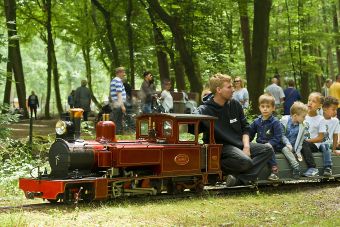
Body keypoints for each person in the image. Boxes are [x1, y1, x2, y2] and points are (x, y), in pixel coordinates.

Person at [194, 73, 273, 186]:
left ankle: (239, 180)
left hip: (239, 145)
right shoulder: (204, 109)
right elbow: (191, 125)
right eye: (229, 87)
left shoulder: (235, 104)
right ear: (219, 90)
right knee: (245, 161)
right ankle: (219, 171)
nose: (233, 90)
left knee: (267, 150)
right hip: (222, 149)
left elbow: (245, 128)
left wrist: (246, 147)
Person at [249, 94, 284, 181]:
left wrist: (270, 143)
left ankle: (274, 172)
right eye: (263, 106)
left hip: (273, 145)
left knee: (269, 150)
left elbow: (278, 137)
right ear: (259, 107)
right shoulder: (256, 121)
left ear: (273, 108)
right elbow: (250, 134)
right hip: (260, 145)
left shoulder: (275, 122)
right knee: (252, 152)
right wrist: (246, 142)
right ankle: (254, 173)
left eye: (268, 106)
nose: (265, 109)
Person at [281, 101, 308, 178]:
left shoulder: (302, 126)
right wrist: (287, 143)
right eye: (303, 116)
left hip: (292, 148)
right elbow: (281, 135)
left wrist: (298, 152)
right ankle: (296, 167)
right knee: (286, 149)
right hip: (282, 145)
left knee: (289, 150)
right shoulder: (284, 121)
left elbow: (300, 141)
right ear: (295, 115)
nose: (305, 118)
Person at [301, 92, 326, 177]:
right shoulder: (303, 116)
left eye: (314, 101)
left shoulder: (321, 119)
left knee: (303, 143)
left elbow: (320, 138)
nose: (310, 103)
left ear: (320, 105)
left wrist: (306, 141)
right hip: (302, 143)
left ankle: (313, 168)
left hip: (314, 145)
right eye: (309, 100)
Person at [319, 96, 340, 176]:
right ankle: (328, 167)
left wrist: (334, 149)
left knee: (328, 145)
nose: (335, 112)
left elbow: (335, 135)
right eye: (333, 109)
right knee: (325, 146)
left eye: (336, 109)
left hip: (330, 143)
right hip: (320, 144)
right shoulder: (319, 119)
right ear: (324, 109)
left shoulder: (335, 121)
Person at [110, 67, 127, 134]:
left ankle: (117, 135)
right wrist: (122, 106)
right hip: (118, 104)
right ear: (119, 72)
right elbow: (119, 94)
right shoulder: (117, 80)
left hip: (116, 104)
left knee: (117, 120)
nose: (124, 74)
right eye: (123, 72)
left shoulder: (114, 80)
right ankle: (117, 136)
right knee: (117, 121)